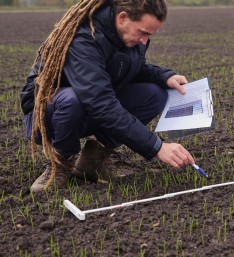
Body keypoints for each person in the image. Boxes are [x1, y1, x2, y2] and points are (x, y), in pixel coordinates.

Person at [20, 0, 196, 193]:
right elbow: (101, 103)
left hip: (86, 107)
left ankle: (91, 162)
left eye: (149, 35)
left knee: (154, 94)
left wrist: (164, 76)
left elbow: (126, 67)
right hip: (48, 114)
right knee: (72, 99)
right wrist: (157, 147)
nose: (144, 41)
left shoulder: (127, 35)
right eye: (143, 32)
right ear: (122, 18)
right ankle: (60, 163)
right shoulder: (83, 38)